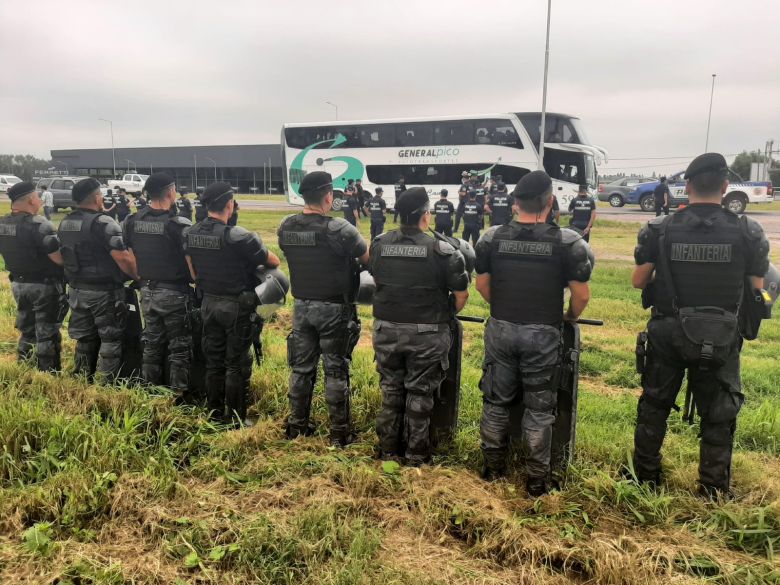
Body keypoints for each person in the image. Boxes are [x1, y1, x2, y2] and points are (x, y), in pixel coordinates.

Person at [630, 153, 770, 498]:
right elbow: (757, 289)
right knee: (719, 415)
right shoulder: (748, 231)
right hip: (721, 335)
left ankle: (644, 478)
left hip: (668, 331)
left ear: (687, 186)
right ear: (725, 187)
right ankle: (712, 488)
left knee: (654, 406)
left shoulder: (660, 229)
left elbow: (638, 280)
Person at [474, 170, 593, 495]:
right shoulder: (568, 243)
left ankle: (492, 470)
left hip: (501, 328)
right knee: (540, 410)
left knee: (496, 402)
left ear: (515, 203)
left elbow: (482, 285)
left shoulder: (491, 238)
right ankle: (536, 481)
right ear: (550, 202)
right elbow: (581, 296)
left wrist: (505, 308)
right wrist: (567, 316)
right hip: (543, 334)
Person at [371, 187, 469, 465]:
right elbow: (460, 296)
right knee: (420, 393)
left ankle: (388, 451)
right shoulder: (443, 251)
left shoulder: (379, 243)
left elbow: (377, 281)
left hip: (386, 330)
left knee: (391, 391)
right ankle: (416, 456)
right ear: (426, 216)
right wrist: (443, 315)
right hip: (427, 333)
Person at [278, 171, 369, 446]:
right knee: (336, 370)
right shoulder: (340, 229)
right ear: (328, 197)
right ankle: (340, 434)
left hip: (302, 307)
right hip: (334, 309)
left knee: (301, 369)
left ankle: (297, 427)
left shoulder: (286, 227)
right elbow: (366, 258)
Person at [184, 182, 280, 425]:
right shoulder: (238, 236)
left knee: (214, 362)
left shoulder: (191, 232)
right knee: (237, 364)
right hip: (236, 307)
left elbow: (193, 273)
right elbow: (274, 261)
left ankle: (214, 414)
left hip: (208, 304)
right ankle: (236, 419)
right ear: (229, 204)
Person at [58, 178, 139, 382]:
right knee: (110, 340)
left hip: (77, 290)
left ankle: (81, 378)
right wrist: (138, 276)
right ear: (96, 197)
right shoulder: (104, 223)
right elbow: (123, 258)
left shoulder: (66, 222)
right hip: (104, 292)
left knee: (84, 339)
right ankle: (104, 385)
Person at [122, 173, 193, 400]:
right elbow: (191, 261)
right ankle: (178, 393)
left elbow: (130, 254)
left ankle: (150, 390)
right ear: (171, 192)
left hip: (147, 291)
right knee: (179, 346)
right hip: (174, 292)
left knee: (151, 342)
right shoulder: (178, 225)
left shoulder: (132, 221)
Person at [0, 182, 65, 371]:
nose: (39, 201)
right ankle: (48, 373)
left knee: (27, 331)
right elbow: (59, 259)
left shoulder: (3, 223)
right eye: (37, 197)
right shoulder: (40, 224)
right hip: (43, 286)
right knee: (46, 332)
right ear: (30, 200)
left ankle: (24, 367)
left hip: (18, 284)